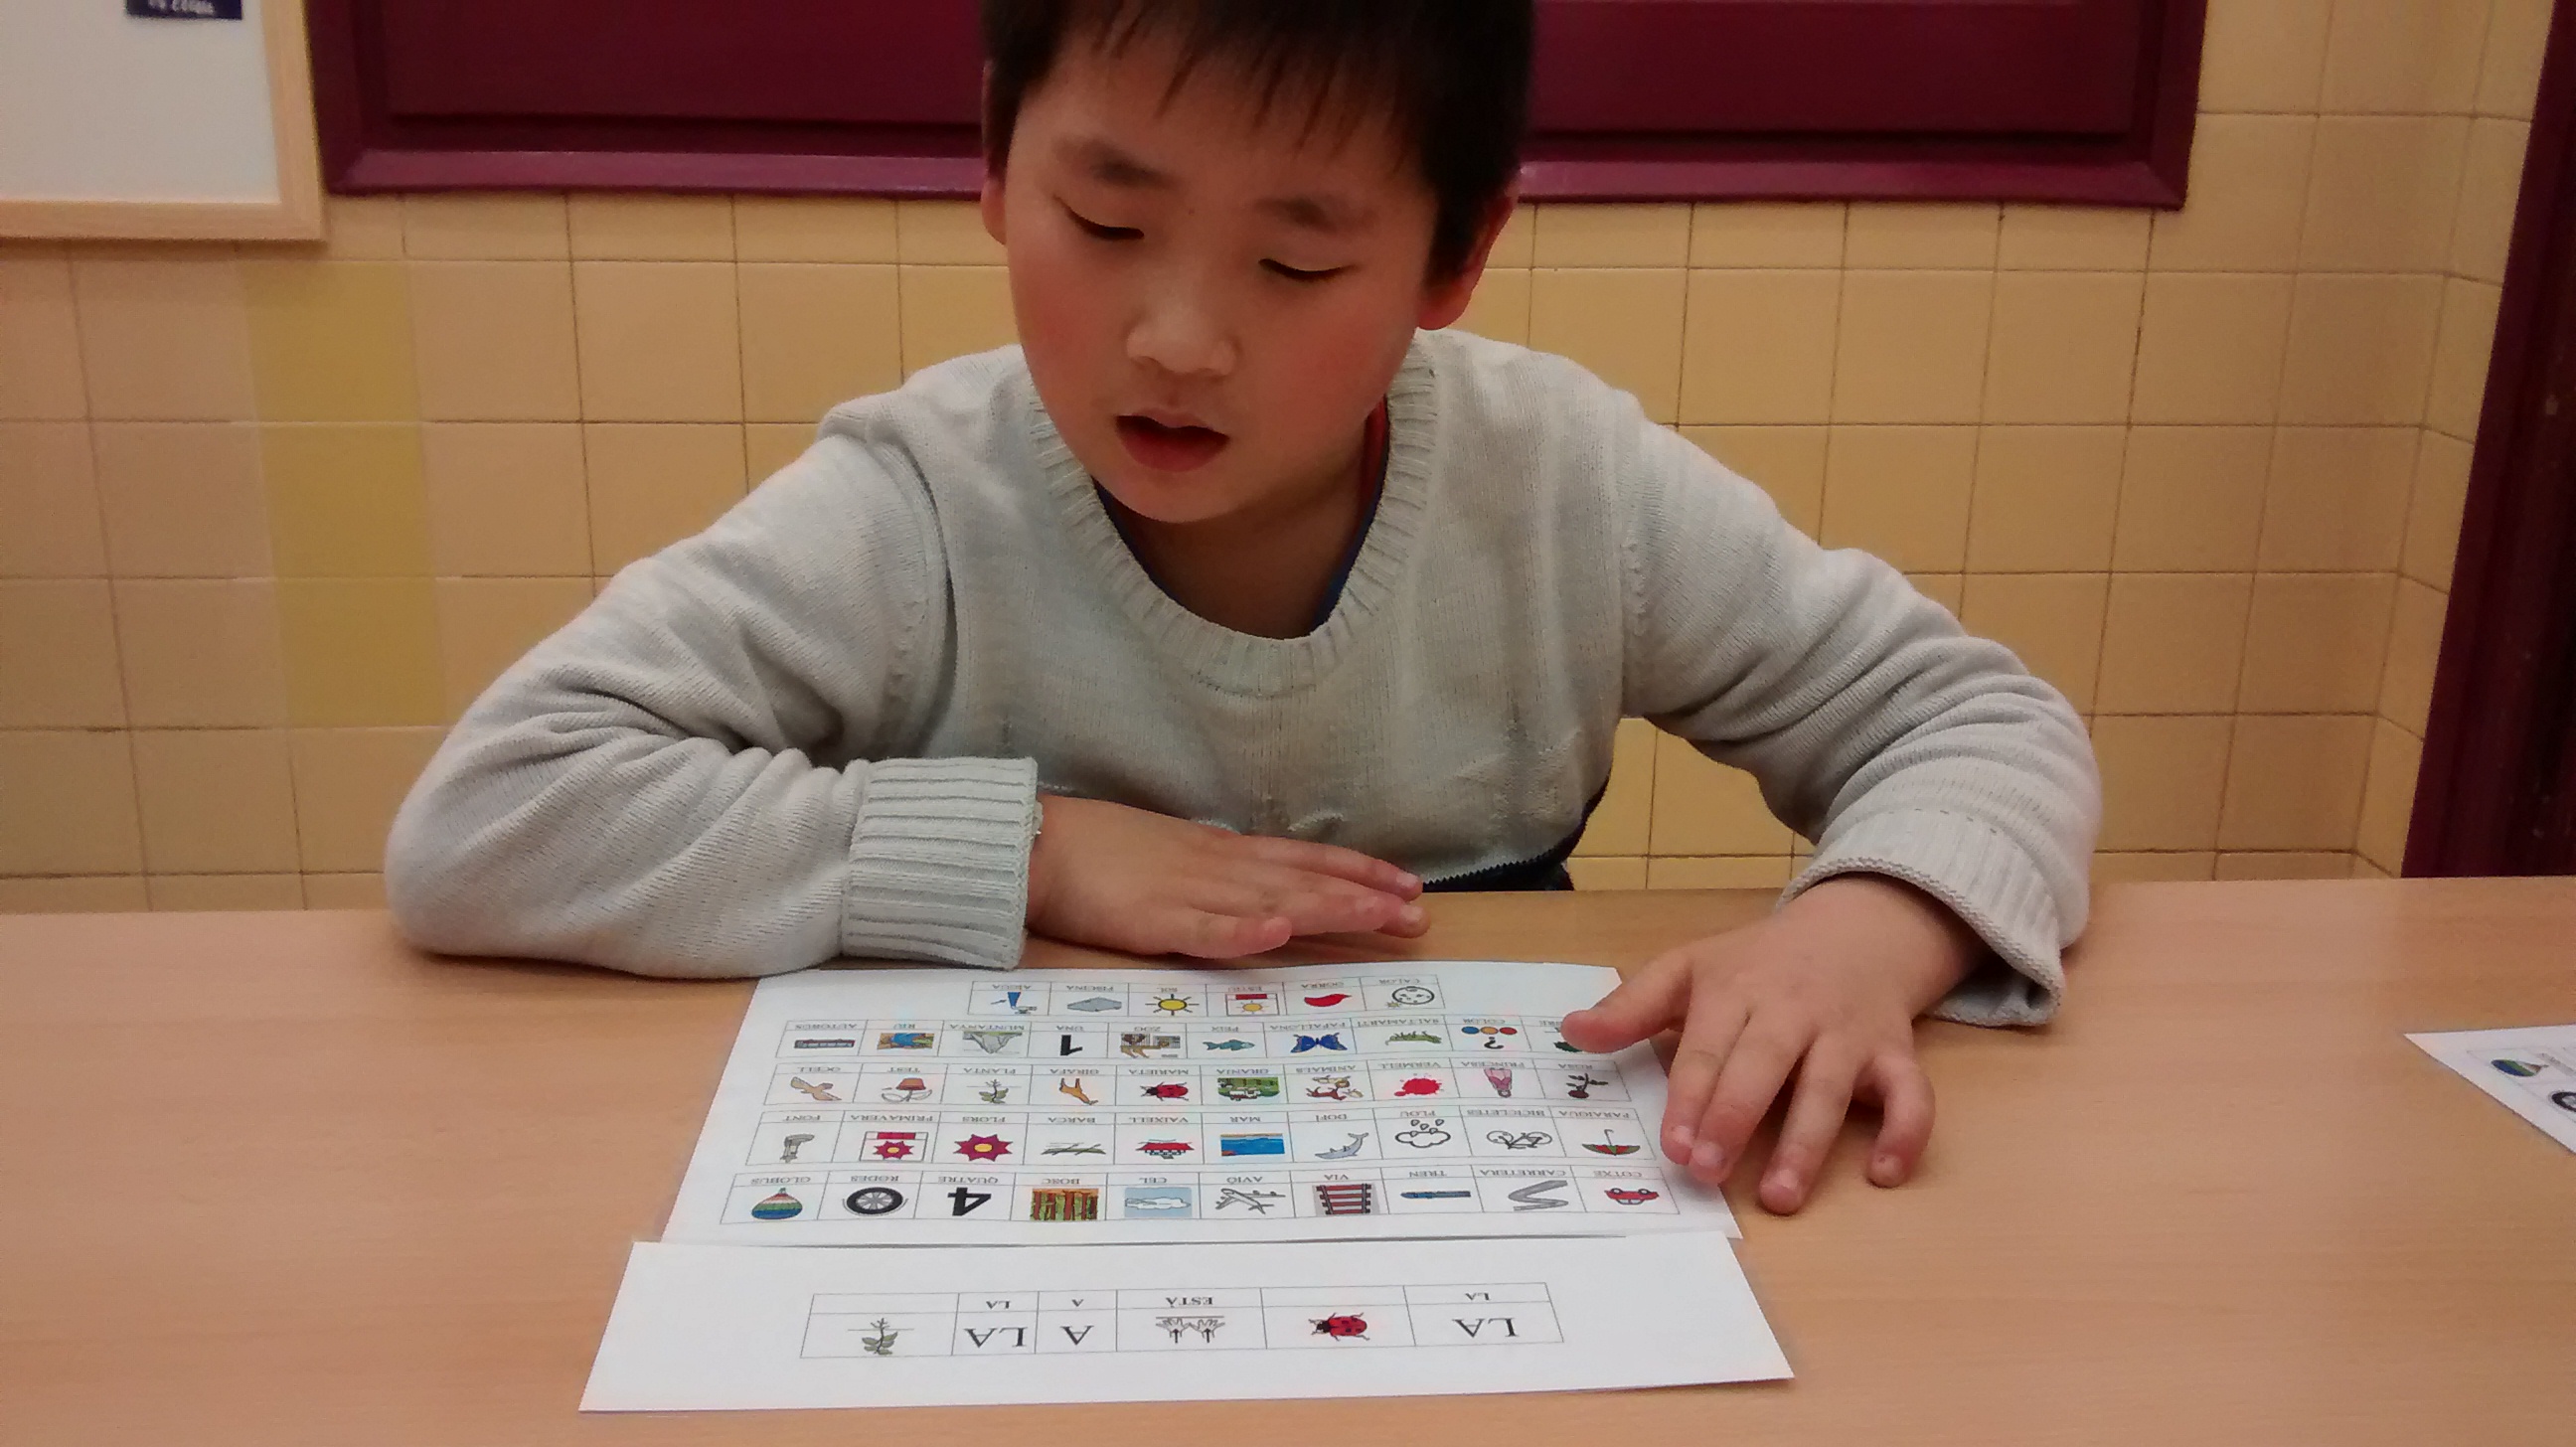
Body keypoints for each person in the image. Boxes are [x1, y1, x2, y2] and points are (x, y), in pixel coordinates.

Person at [386, 0, 2100, 1215]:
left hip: (1463, 1207)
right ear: (993, 165)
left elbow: (1977, 719)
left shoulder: (1562, 486)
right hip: (1037, 1207)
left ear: (1453, 258)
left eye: (1296, 264)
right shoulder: (915, 508)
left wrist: (1864, 932)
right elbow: (496, 814)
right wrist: (1033, 851)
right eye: (1105, 219)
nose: (1180, 339)